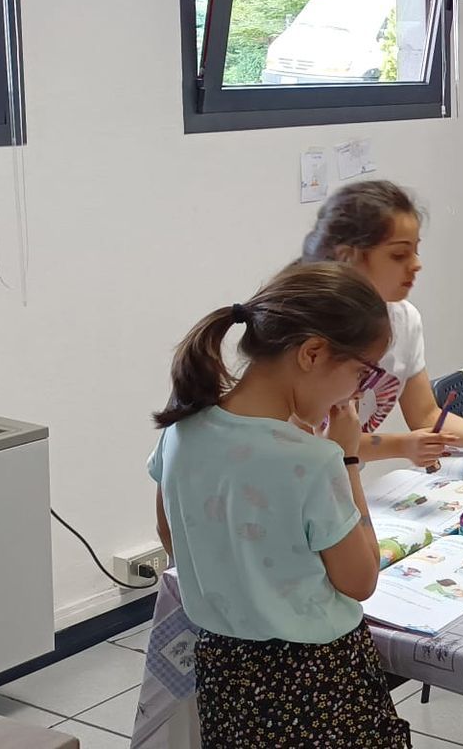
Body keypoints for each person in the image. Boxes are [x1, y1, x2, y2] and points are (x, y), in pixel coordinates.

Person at [149, 262, 408, 747]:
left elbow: (172, 537)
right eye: (360, 373)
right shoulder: (313, 461)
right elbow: (360, 580)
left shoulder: (182, 431)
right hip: (317, 683)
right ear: (312, 353)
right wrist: (347, 457)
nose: (357, 393)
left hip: (225, 671)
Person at [301, 180, 463, 463]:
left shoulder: (404, 320)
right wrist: (402, 445)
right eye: (399, 255)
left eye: (416, 250)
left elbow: (425, 414)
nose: (416, 264)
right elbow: (314, 445)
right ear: (348, 257)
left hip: (340, 472)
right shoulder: (307, 332)